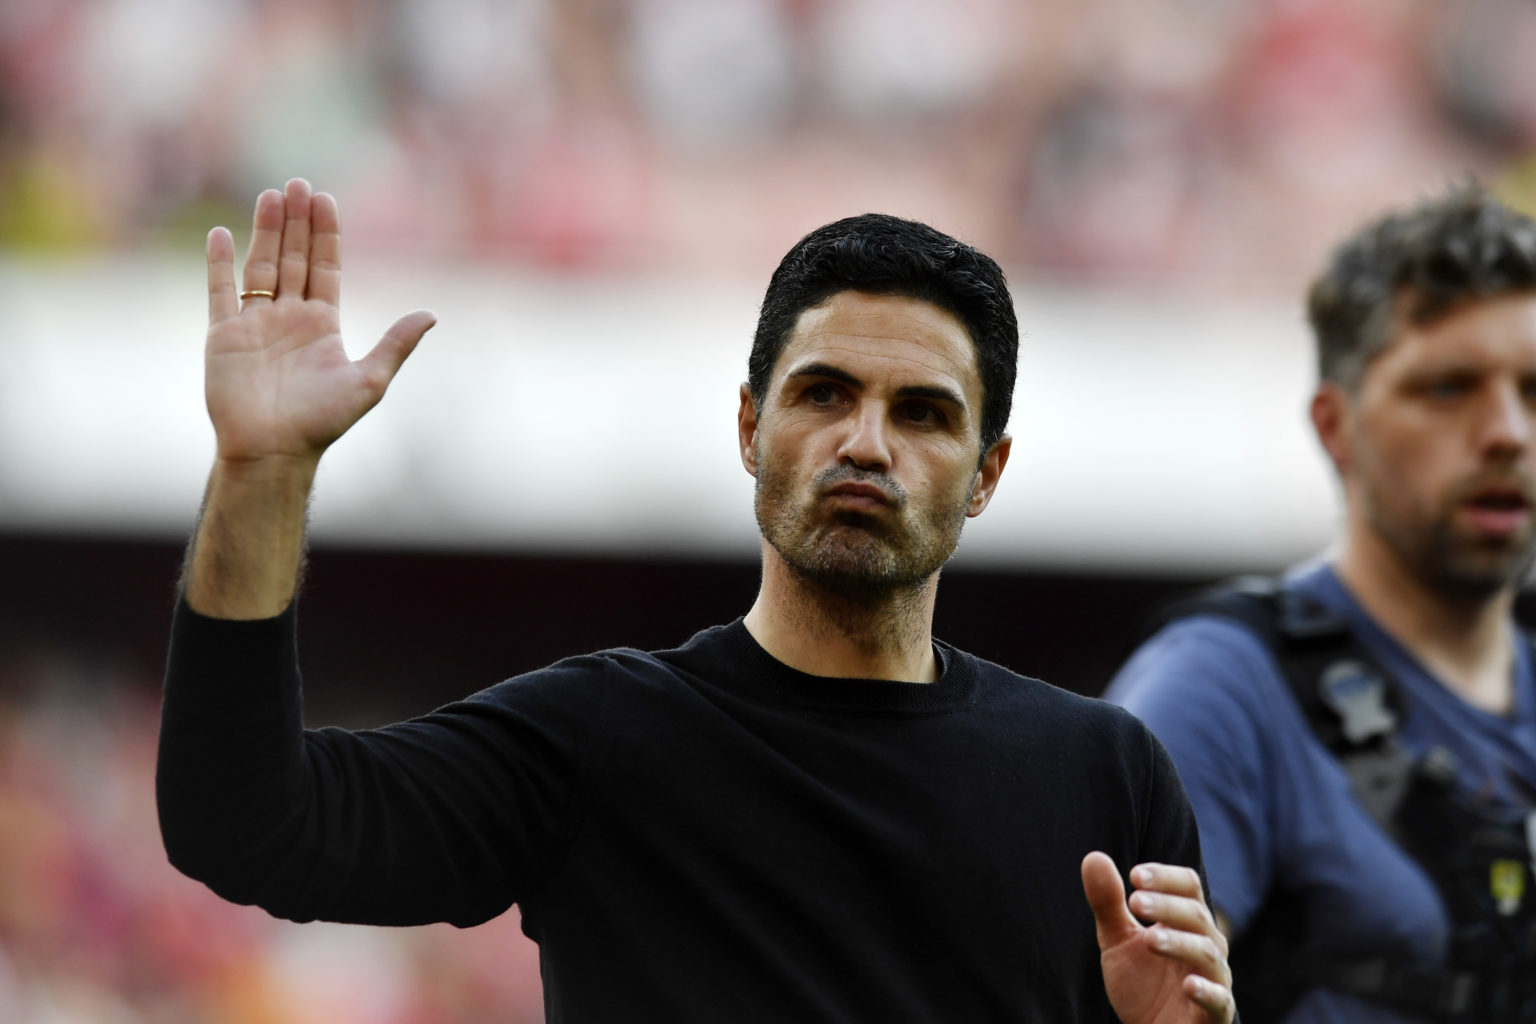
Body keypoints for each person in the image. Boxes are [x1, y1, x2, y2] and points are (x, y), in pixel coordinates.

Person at [157, 178, 1235, 1023]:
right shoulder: (602, 739)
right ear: (750, 429)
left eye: (922, 412)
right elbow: (245, 821)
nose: (865, 442)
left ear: (987, 473)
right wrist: (262, 474)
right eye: (824, 393)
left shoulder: (1104, 773)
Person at [1106, 184, 1536, 1024]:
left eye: (1535, 389)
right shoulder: (1220, 692)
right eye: (1449, 388)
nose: (1507, 433)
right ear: (1335, 428)